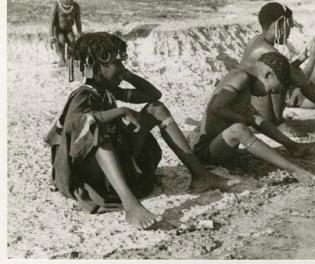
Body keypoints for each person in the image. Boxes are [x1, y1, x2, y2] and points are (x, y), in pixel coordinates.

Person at [44, 32, 235, 228]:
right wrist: (122, 111)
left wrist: (125, 74)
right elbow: (76, 123)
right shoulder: (82, 94)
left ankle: (200, 175)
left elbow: (153, 94)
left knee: (156, 109)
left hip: (115, 161)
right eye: (117, 62)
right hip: (92, 174)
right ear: (97, 66)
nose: (122, 67)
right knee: (97, 131)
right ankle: (131, 205)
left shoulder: (109, 90)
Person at [192, 51, 315, 183]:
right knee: (239, 129)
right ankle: (292, 169)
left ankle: (292, 145)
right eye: (270, 91)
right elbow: (217, 108)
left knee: (254, 116)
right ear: (268, 75)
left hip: (218, 145)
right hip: (207, 152)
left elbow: (254, 118)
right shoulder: (241, 77)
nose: (265, 95)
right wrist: (243, 119)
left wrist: (289, 144)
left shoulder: (245, 80)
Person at [241, 2, 315, 127]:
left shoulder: (255, 41)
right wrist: (314, 56)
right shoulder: (267, 49)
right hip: (259, 121)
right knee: (284, 79)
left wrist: (303, 57)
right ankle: (279, 122)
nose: (290, 30)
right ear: (280, 22)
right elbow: (301, 81)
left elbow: (285, 69)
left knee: (281, 74)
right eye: (290, 24)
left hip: (251, 112)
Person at [49, 0, 82, 66]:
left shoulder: (75, 6)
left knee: (72, 41)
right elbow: (51, 23)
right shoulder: (56, 6)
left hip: (69, 30)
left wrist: (80, 33)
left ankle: (70, 59)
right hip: (59, 31)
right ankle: (62, 59)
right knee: (61, 41)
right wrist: (51, 36)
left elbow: (78, 21)